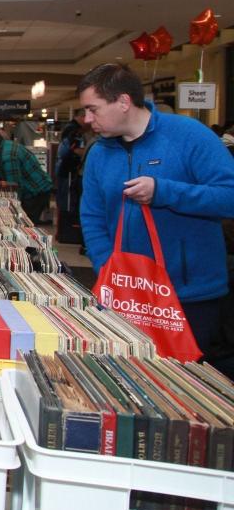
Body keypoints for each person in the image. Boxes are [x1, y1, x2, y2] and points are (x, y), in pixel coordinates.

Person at [77, 63, 234, 362]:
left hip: (189, 295)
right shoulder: (99, 152)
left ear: (123, 102)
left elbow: (229, 196)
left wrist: (164, 192)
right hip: (127, 294)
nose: (87, 119)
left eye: (93, 109)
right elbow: (93, 216)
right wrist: (106, 267)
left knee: (186, 387)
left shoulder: (189, 136)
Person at [0, 130, 53, 223]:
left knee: (25, 224)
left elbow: (14, 184)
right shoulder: (6, 145)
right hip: (37, 187)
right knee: (25, 222)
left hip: (36, 191)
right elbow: (0, 168)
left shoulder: (8, 155)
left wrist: (14, 206)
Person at [54, 109, 90, 245]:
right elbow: (72, 150)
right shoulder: (75, 131)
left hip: (64, 170)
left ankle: (62, 231)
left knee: (64, 200)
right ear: (81, 117)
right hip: (69, 171)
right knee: (67, 201)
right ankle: (66, 232)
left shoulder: (70, 128)